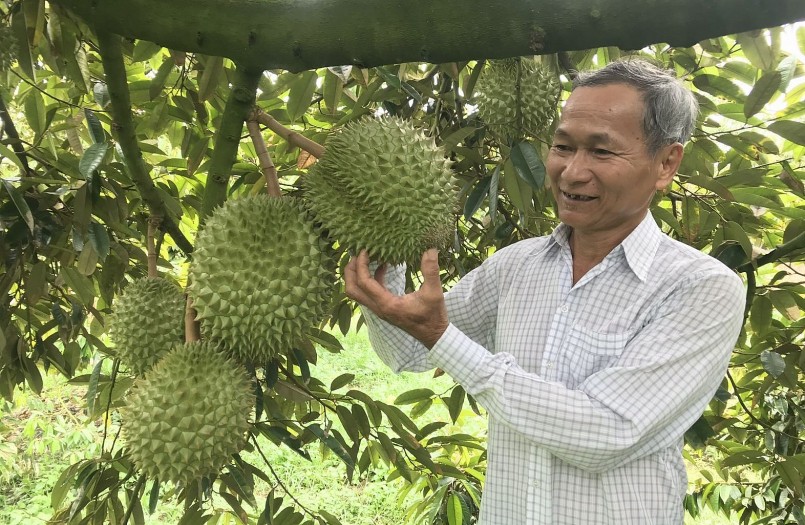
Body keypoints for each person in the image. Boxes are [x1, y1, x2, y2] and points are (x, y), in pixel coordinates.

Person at [344, 58, 746, 525]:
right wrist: (382, 260)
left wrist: (443, 338)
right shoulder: (517, 266)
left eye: (601, 152)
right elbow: (407, 352)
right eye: (562, 146)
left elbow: (608, 432)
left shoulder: (701, 287)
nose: (571, 172)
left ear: (666, 163)